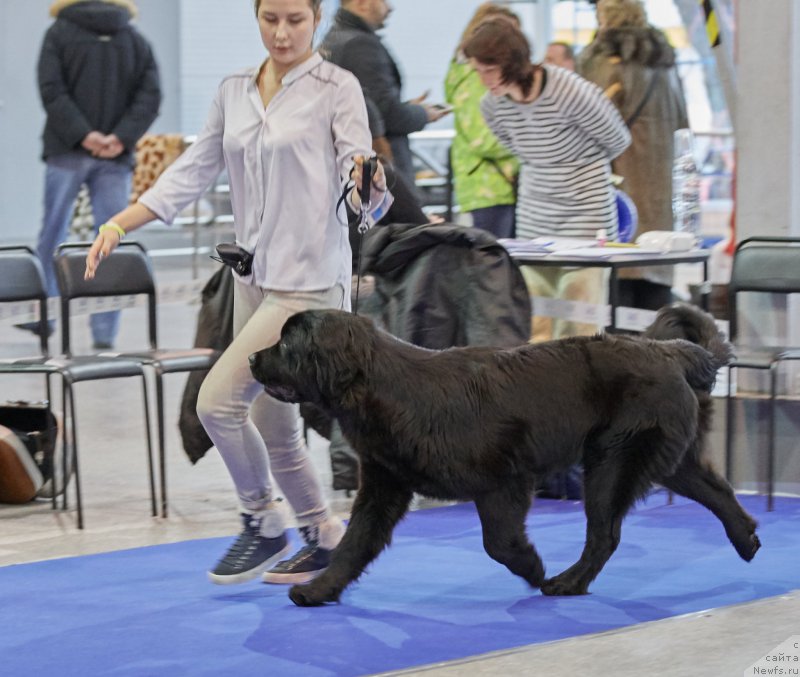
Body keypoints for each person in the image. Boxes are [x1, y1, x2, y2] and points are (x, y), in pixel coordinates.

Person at [84, 0, 392, 586]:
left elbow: (360, 175)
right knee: (273, 426)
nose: (282, 32)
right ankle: (324, 536)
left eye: (295, 20)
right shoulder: (233, 91)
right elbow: (193, 170)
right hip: (253, 279)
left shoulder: (337, 87)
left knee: (216, 404)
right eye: (270, 18)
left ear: (316, 17)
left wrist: (366, 180)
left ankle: (262, 519)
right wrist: (121, 222)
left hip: (309, 286)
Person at [463, 19, 631, 340]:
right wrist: (546, 167)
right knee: (537, 324)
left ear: (514, 62)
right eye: (478, 72)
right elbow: (517, 149)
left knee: (580, 324)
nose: (484, 80)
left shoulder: (571, 90)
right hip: (535, 219)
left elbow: (617, 139)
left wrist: (574, 164)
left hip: (585, 214)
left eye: (490, 70)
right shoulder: (492, 106)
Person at [23, 0, 161, 349]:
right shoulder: (135, 39)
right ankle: (104, 332)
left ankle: (43, 316)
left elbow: (51, 89)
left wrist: (84, 135)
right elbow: (150, 96)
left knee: (52, 233)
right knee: (111, 237)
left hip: (66, 149)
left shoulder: (58, 33)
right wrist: (120, 138)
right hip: (116, 155)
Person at [578, 0, 689, 310]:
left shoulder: (604, 64)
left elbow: (587, 124)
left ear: (606, 17)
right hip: (661, 194)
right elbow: (683, 125)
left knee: (620, 290)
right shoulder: (665, 64)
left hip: (620, 194)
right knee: (655, 288)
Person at [320, 0, 450, 191]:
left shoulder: (334, 39)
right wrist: (424, 113)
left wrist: (407, 106)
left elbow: (369, 104)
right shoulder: (360, 45)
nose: (389, 8)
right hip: (380, 172)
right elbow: (388, 115)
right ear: (362, 3)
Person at [444, 3, 520, 239]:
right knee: (494, 258)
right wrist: (531, 142)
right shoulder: (476, 78)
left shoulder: (476, 76)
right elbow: (483, 139)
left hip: (499, 185)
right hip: (489, 187)